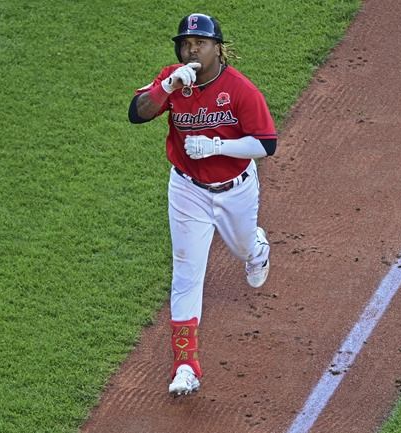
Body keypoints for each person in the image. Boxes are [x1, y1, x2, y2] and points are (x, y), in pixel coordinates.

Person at [128, 13, 277, 397]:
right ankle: (185, 366)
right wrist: (167, 86)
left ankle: (256, 249)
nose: (191, 49)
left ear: (217, 48)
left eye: (200, 43)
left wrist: (217, 146)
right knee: (186, 273)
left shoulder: (240, 90)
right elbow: (137, 113)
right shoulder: (172, 79)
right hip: (187, 190)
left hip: (236, 190)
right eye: (185, 43)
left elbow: (266, 144)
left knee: (243, 248)